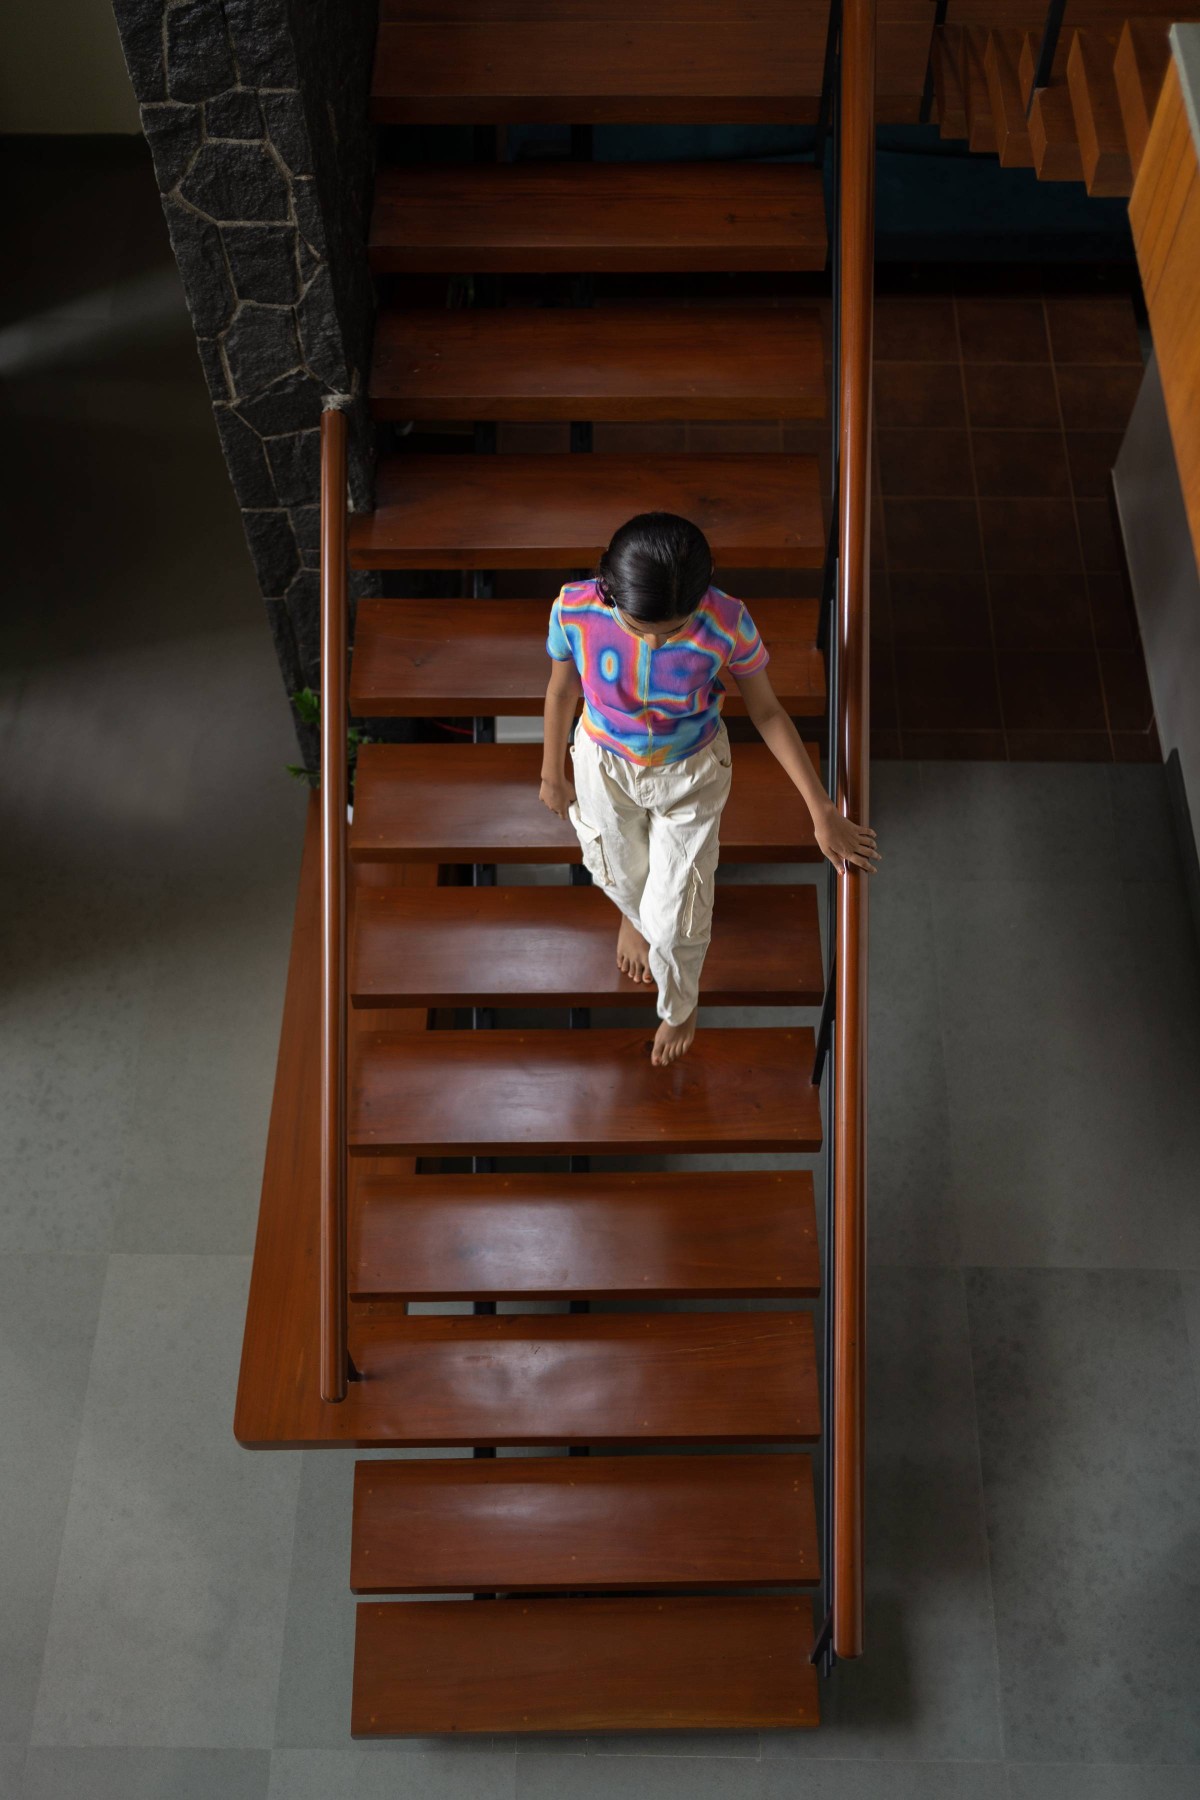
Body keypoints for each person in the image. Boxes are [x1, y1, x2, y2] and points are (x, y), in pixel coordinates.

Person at [539, 511, 880, 1068]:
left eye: (671, 630)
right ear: (610, 587)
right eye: (640, 627)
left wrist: (820, 807)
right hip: (604, 762)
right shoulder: (574, 609)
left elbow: (767, 711)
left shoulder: (728, 623)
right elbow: (560, 691)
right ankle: (633, 912)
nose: (656, 640)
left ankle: (680, 1004)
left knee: (681, 916)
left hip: (689, 773)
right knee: (613, 867)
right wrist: (553, 771)